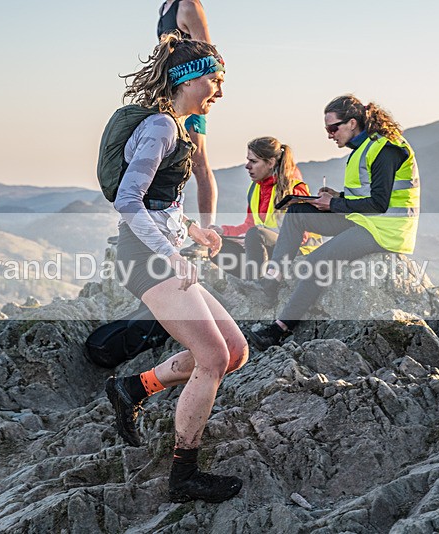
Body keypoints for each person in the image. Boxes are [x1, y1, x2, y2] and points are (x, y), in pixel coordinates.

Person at [105, 33, 248, 504]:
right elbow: (129, 201)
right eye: (214, 80)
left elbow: (159, 205)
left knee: (233, 351)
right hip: (145, 257)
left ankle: (133, 387)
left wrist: (193, 232)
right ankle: (183, 475)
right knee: (211, 359)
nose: (220, 91)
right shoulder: (162, 128)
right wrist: (169, 254)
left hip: (162, 252)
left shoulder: (178, 129)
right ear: (187, 80)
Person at [248, 94, 421, 350]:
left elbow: (379, 203)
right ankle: (271, 280)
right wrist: (336, 197)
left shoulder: (386, 148)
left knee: (316, 261)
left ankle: (279, 328)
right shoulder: (365, 147)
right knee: (297, 214)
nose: (330, 135)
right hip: (362, 219)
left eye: (333, 128)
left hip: (386, 229)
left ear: (352, 123)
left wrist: (333, 205)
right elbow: (364, 196)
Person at [211, 136, 320, 279]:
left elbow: (301, 237)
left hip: (297, 252)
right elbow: (249, 226)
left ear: (270, 163)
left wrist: (258, 238)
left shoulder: (293, 189)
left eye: (253, 161)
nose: (247, 166)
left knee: (256, 235)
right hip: (268, 249)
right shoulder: (255, 189)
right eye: (248, 160)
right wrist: (222, 231)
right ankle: (251, 282)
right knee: (216, 247)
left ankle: (259, 286)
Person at [157, 0, 217, 229]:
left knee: (198, 161)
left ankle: (207, 228)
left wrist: (202, 94)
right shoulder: (164, 8)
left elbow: (208, 55)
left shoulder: (189, 6)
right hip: (169, 95)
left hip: (190, 93)